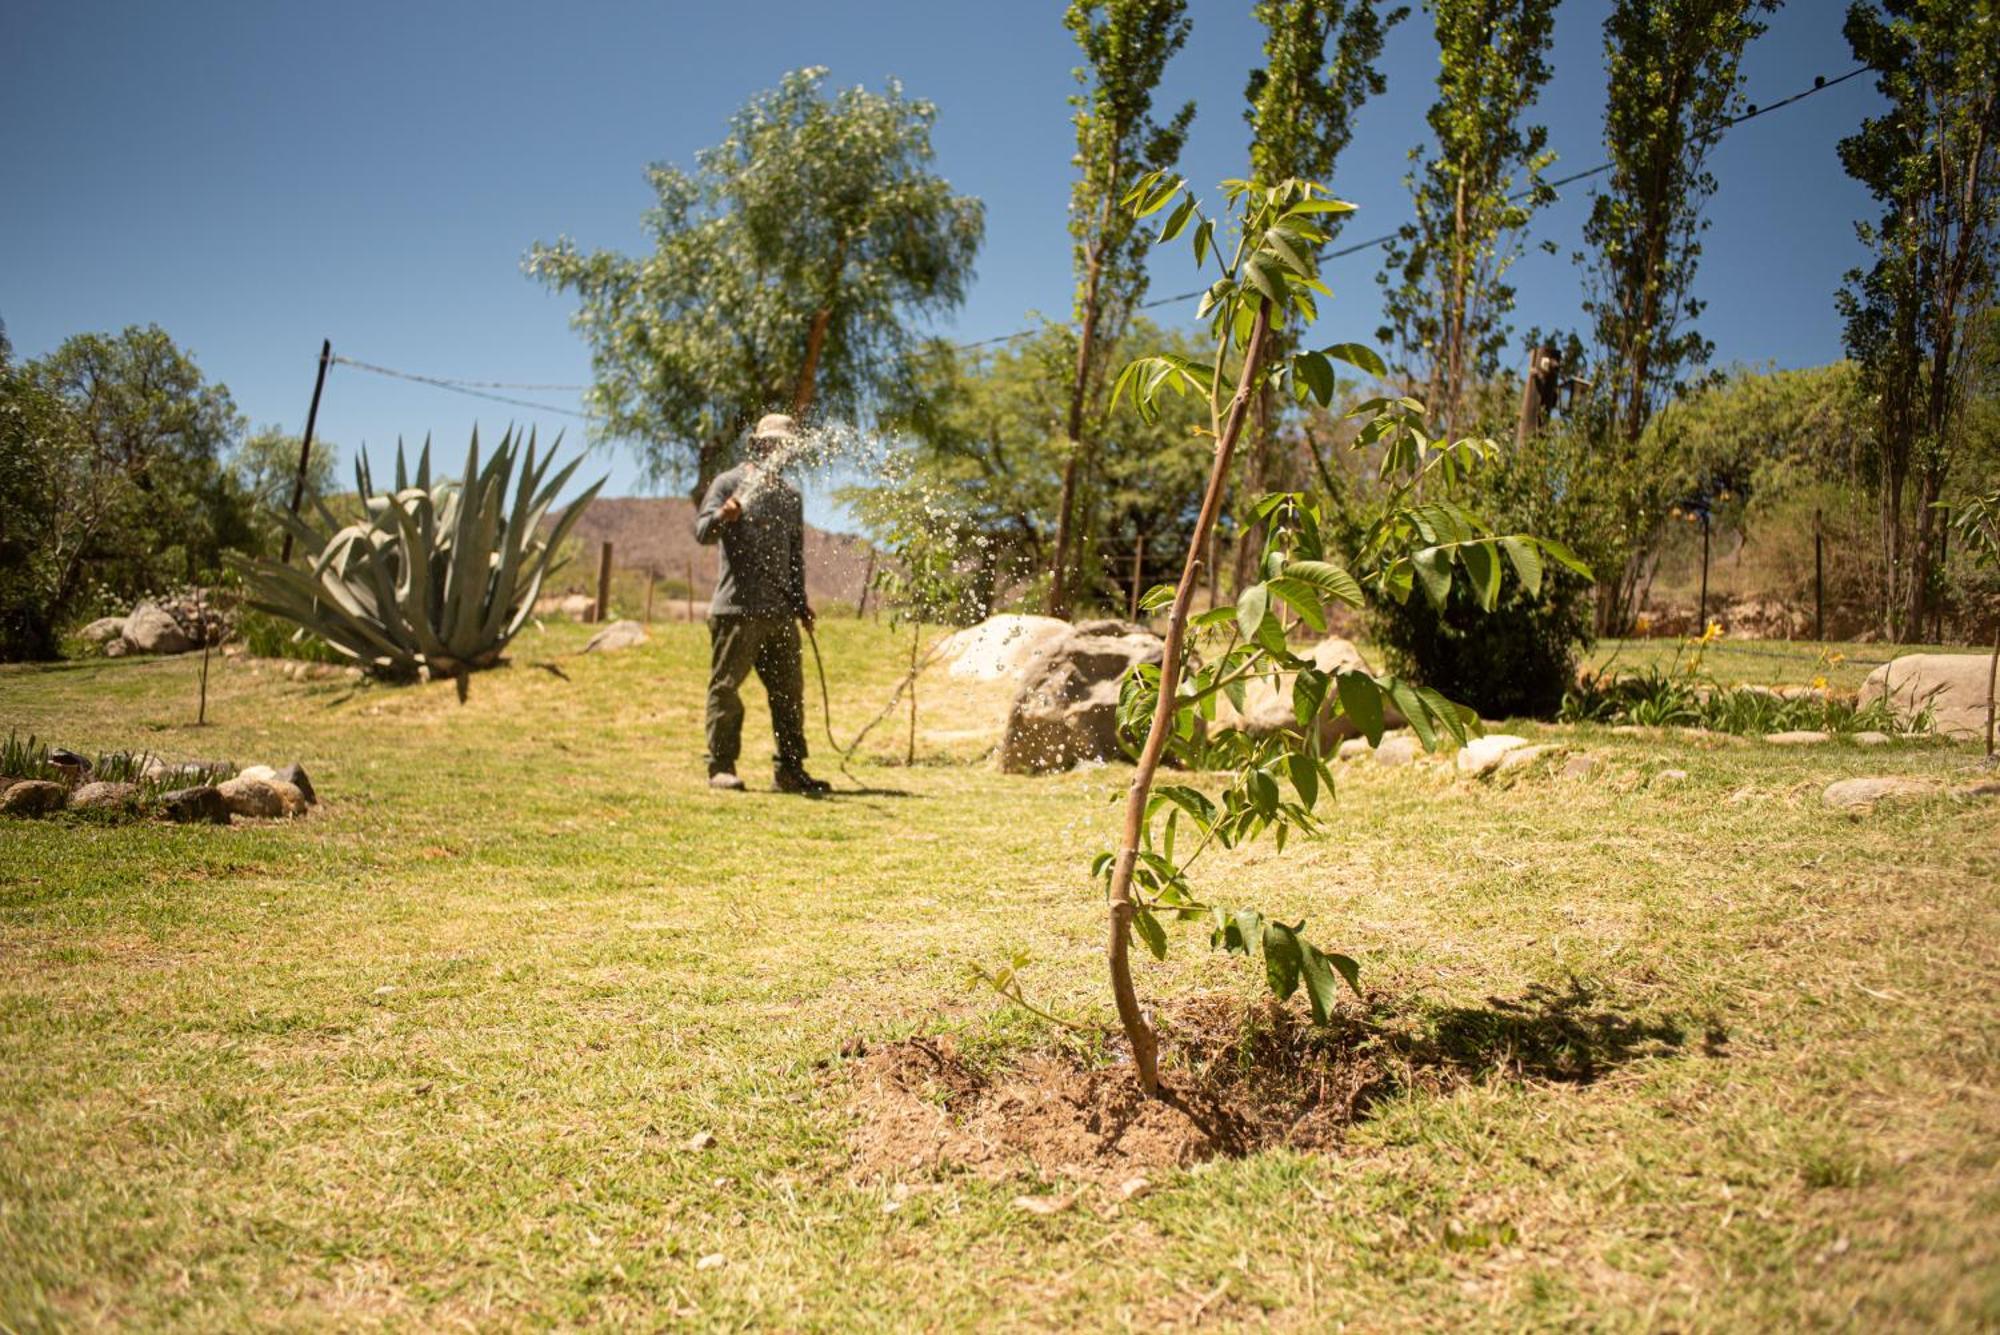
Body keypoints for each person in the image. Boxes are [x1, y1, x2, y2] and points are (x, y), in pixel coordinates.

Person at [692, 413, 831, 796]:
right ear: (756, 445)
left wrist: (801, 604)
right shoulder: (728, 484)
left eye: (784, 446)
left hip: (780, 613)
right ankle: (721, 767)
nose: (778, 451)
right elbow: (702, 532)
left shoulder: (790, 496)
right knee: (726, 689)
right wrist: (724, 514)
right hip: (735, 610)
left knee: (789, 692)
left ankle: (789, 770)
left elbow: (794, 557)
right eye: (771, 444)